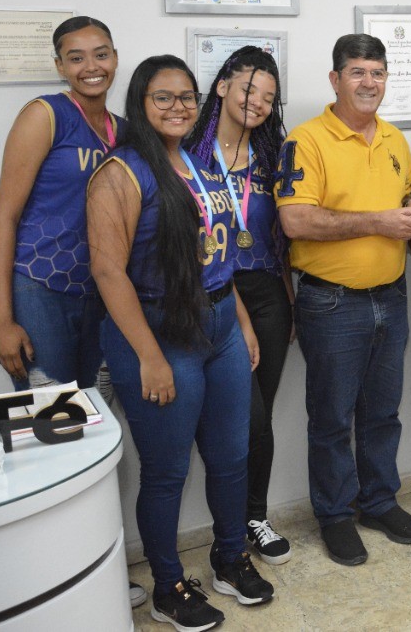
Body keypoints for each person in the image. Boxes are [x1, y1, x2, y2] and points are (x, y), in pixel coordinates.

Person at [88, 55, 273, 631]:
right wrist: (147, 356)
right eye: (162, 97)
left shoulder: (197, 163)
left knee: (232, 456)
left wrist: (241, 323)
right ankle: (168, 584)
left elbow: (216, 259)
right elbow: (109, 272)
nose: (178, 107)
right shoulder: (121, 173)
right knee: (166, 472)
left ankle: (228, 556)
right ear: (140, 103)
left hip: (219, 325)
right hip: (158, 335)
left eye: (187, 97)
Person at [276, 34, 411, 566]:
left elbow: (405, 210)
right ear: (335, 79)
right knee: (333, 419)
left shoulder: (395, 140)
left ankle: (379, 501)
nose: (369, 82)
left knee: (383, 413)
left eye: (378, 73)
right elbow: (295, 218)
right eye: (358, 72)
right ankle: (336, 516)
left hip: (391, 295)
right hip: (332, 304)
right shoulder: (307, 140)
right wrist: (379, 222)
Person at [185, 46, 293, 565]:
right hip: (215, 293)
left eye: (270, 98)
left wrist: (288, 298)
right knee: (242, 420)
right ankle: (231, 528)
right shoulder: (188, 155)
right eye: (250, 89)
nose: (258, 103)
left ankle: (254, 516)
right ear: (224, 85)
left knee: (262, 416)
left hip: (269, 294)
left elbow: (284, 234)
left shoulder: (274, 154)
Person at [0, 16, 123, 390]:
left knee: (95, 414)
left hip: (98, 293)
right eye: (76, 58)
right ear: (60, 66)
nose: (91, 67)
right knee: (52, 423)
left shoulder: (123, 131)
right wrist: (2, 320)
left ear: (115, 58)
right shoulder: (45, 114)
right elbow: (3, 216)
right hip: (38, 287)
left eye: (101, 54)